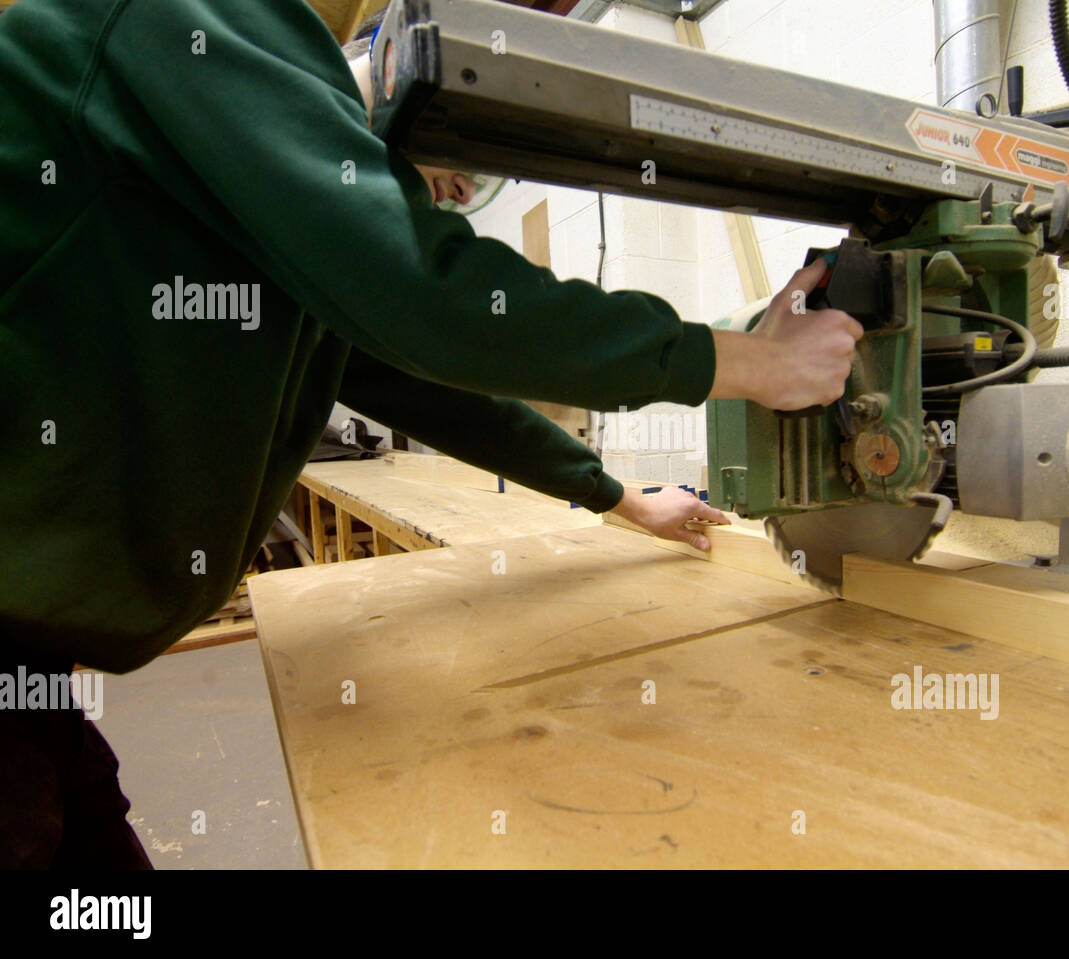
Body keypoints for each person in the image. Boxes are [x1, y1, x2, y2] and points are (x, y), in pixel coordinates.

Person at [0, 0, 862, 867]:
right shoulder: (204, 22)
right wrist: (751, 364)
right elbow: (430, 300)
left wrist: (625, 498)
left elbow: (443, 388)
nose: (464, 188)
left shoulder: (277, 214)